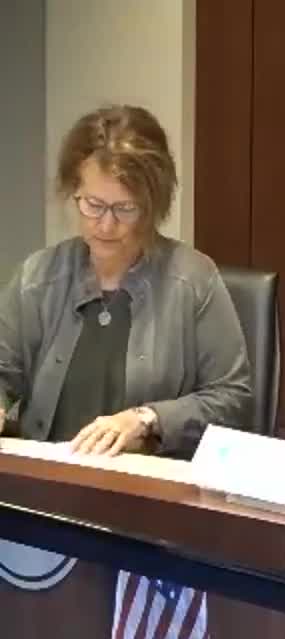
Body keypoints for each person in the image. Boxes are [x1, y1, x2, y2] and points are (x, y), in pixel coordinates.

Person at [0, 104, 252, 457]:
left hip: (147, 485)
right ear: (74, 192)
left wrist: (148, 420)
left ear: (152, 206)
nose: (106, 225)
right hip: (49, 479)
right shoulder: (38, 277)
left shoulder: (193, 280)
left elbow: (233, 399)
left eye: (125, 208)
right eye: (93, 205)